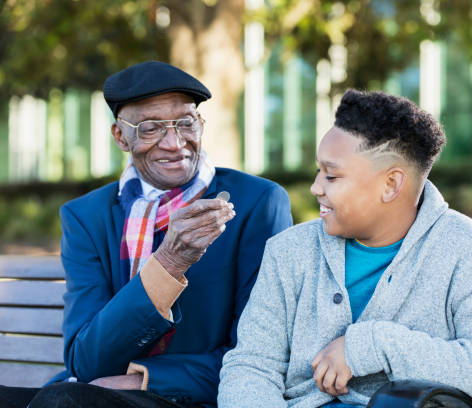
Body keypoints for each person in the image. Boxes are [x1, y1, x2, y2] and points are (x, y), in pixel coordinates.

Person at [0, 61, 292, 408]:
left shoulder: (257, 202)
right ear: (120, 136)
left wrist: (140, 380)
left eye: (186, 123)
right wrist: (168, 263)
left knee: (65, 401)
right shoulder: (86, 217)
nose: (174, 143)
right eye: (151, 128)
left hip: (191, 397)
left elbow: (261, 354)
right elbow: (86, 361)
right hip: (92, 391)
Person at [218, 89, 472, 408]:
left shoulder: (463, 249)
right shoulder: (289, 251)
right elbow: (251, 367)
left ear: (390, 185)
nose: (316, 187)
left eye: (332, 176)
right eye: (319, 171)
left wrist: (373, 344)